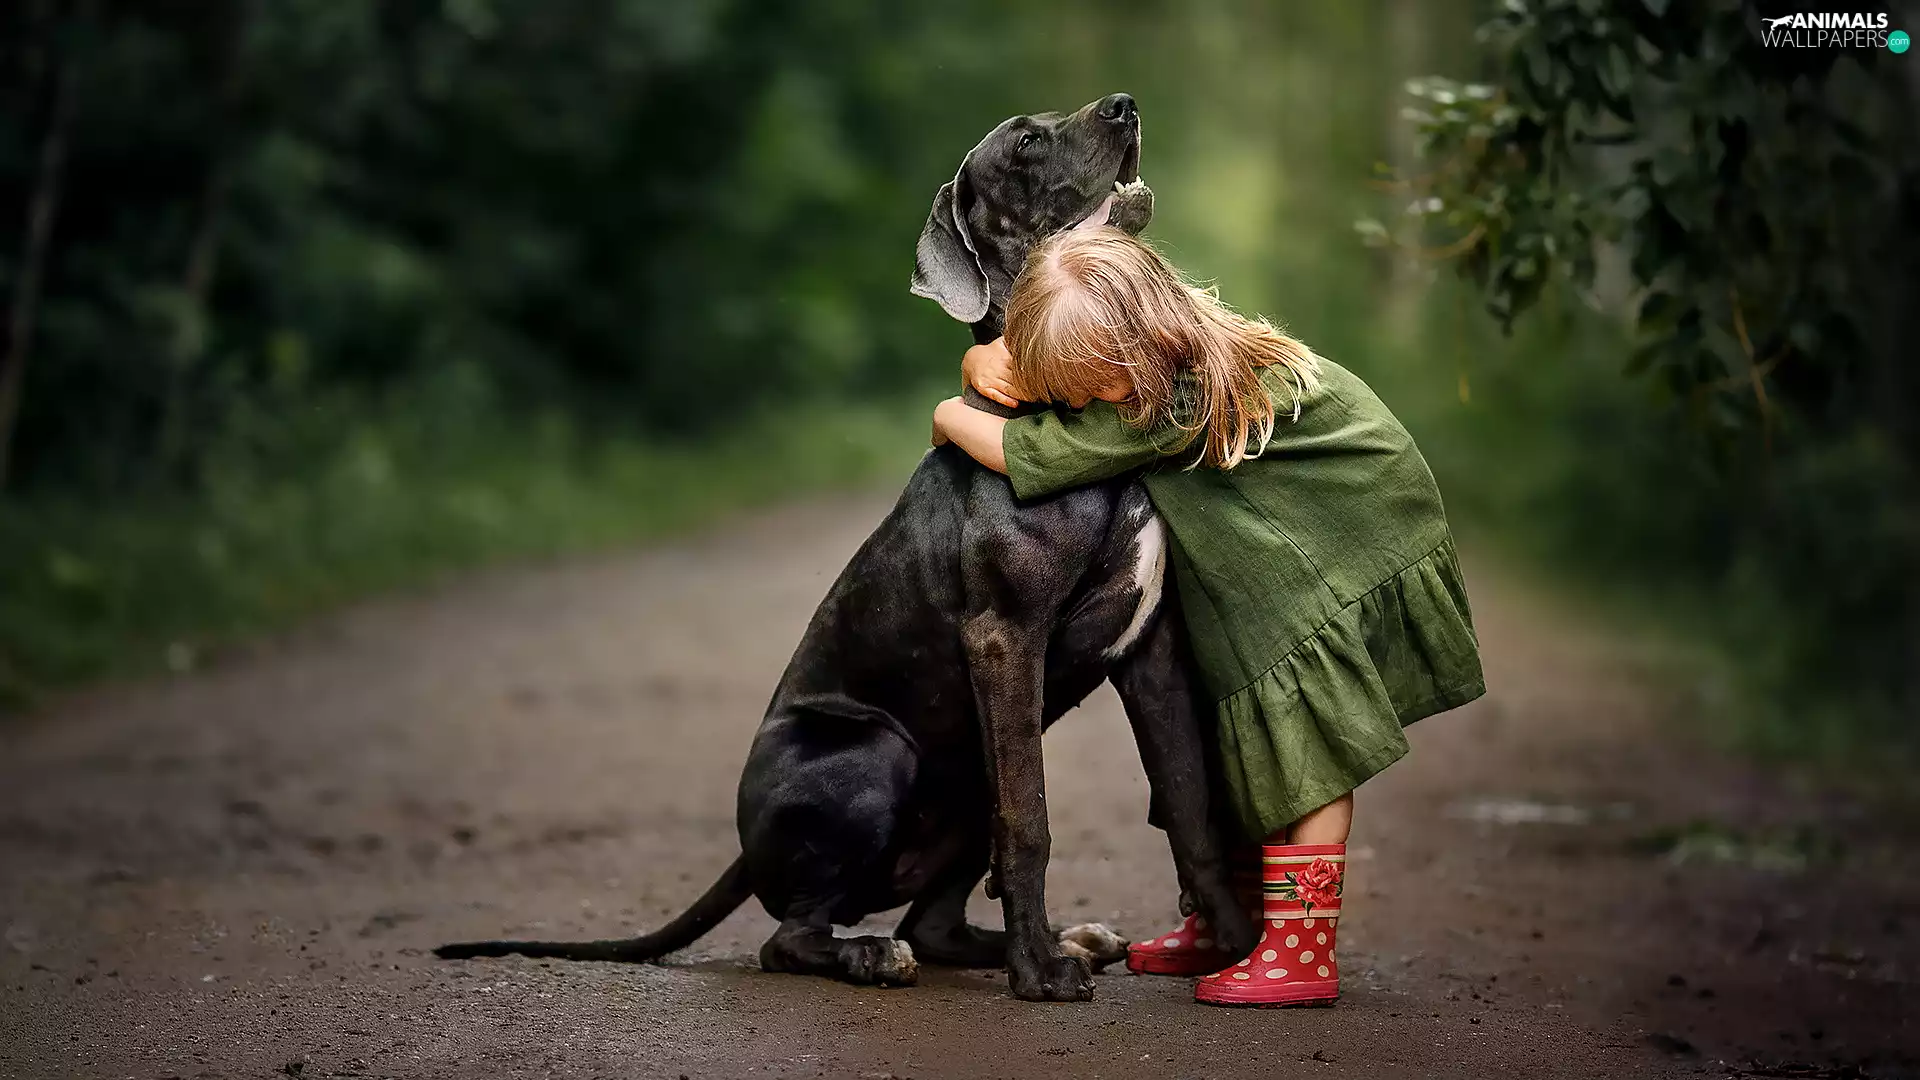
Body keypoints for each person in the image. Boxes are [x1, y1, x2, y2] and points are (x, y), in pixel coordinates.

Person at [930, 227, 1485, 1007]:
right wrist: (977, 359)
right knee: (1244, 741)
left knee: (1309, 754)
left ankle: (1301, 951)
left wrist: (948, 414)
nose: (1085, 404)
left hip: (1340, 531)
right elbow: (1049, 393)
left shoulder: (1174, 397)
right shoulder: (1161, 351)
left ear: (1141, 337)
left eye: (1093, 386)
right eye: (1073, 389)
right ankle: (1237, 918)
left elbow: (1036, 454)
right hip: (1280, 543)